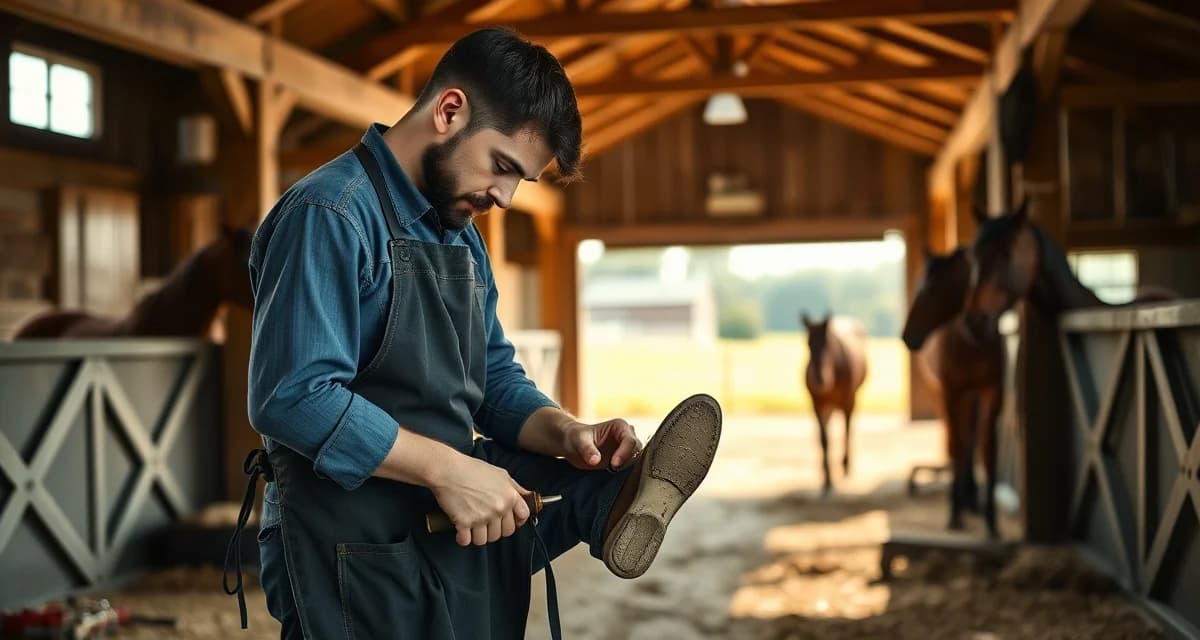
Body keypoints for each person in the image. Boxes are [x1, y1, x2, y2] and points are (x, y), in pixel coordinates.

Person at [223, 26, 723, 640]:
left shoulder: (461, 239)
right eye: (503, 167)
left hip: (452, 520)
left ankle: (609, 497)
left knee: (581, 470)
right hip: (351, 538)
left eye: (521, 181)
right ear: (449, 110)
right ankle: (599, 506)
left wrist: (568, 432)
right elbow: (291, 397)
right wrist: (448, 471)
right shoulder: (329, 213)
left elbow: (492, 379)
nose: (506, 198)